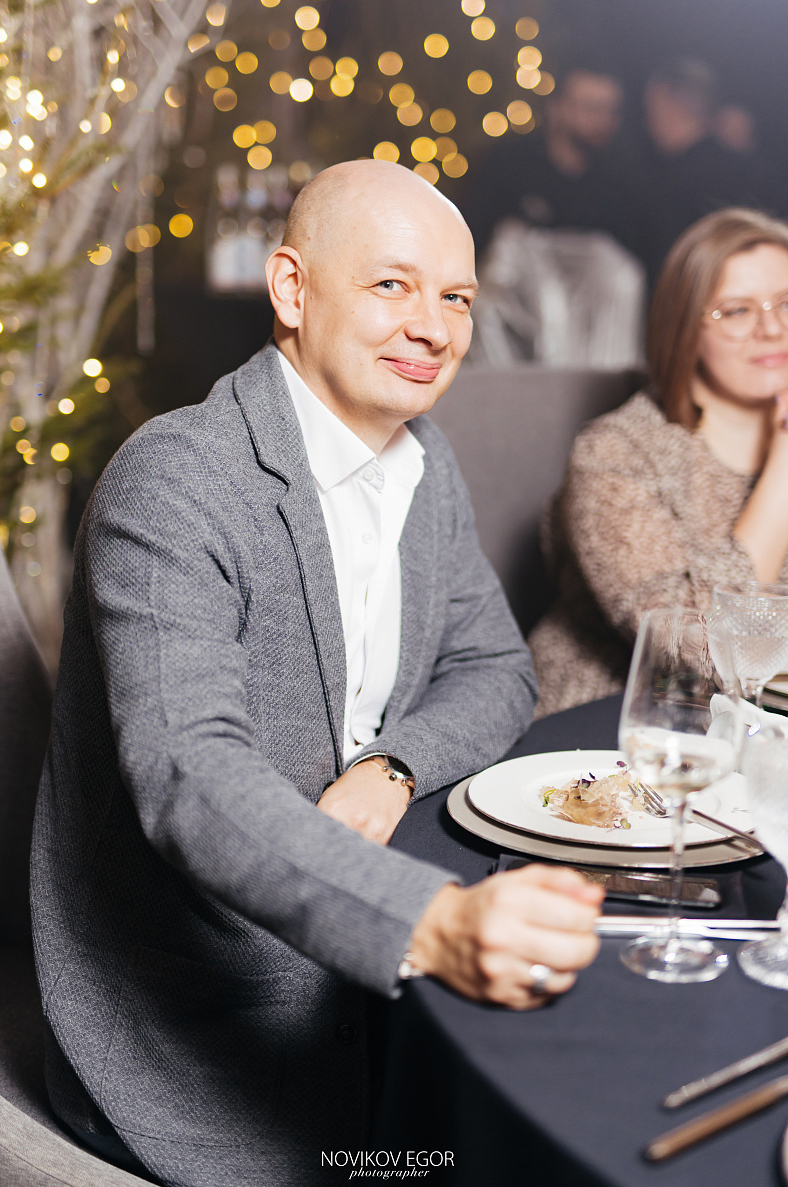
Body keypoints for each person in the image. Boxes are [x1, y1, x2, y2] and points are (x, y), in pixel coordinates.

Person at [31, 160, 602, 1186]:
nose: (433, 327)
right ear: (292, 290)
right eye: (391, 285)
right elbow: (189, 777)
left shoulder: (423, 465)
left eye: (457, 298)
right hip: (199, 1039)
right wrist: (429, 923)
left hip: (369, 1008)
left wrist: (390, 768)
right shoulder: (175, 480)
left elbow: (494, 667)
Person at [529, 207, 788, 717]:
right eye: (737, 311)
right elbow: (702, 650)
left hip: (761, 720)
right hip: (614, 721)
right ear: (684, 327)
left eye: (787, 303)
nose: (773, 328)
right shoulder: (615, 452)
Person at [464, 62, 641, 263]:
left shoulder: (622, 182)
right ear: (556, 107)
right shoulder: (506, 166)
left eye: (611, 110)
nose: (603, 120)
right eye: (591, 108)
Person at [637, 59, 769, 285]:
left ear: (669, 105)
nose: (646, 121)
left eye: (650, 109)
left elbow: (667, 271)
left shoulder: (672, 185)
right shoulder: (751, 170)